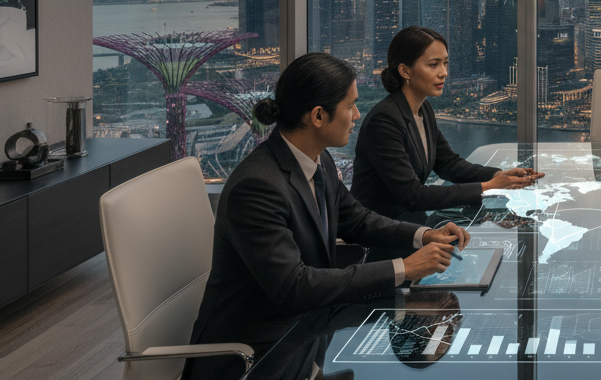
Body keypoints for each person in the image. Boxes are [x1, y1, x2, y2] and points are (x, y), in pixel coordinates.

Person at [185, 53, 470, 380]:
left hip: (308, 336)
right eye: (351, 106)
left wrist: (424, 235)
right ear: (318, 116)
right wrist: (404, 267)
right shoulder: (257, 187)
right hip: (255, 358)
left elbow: (358, 220)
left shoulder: (318, 161)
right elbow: (294, 287)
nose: (357, 115)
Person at [352, 26, 543, 228]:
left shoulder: (423, 109)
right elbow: (413, 195)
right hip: (378, 232)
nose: (443, 73)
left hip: (412, 226)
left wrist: (497, 175)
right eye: (433, 65)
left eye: (445, 63)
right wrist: (488, 186)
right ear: (405, 71)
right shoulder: (383, 121)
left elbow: (448, 164)